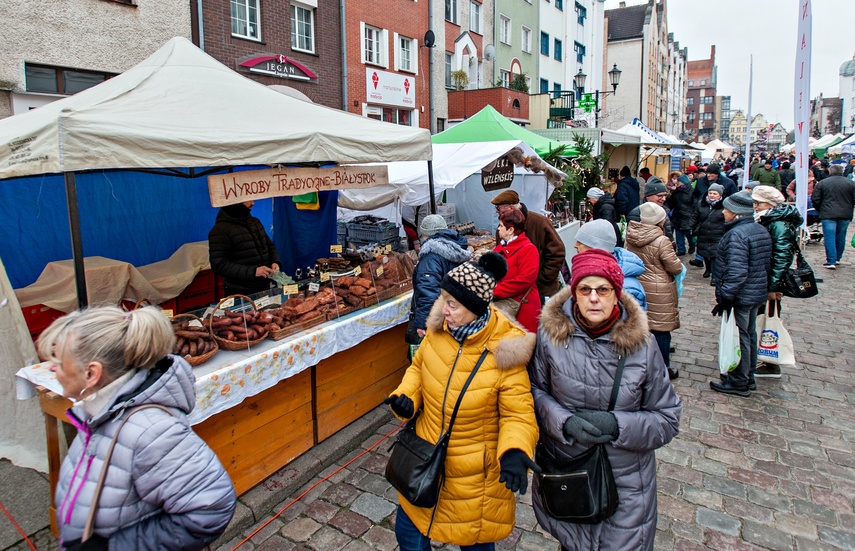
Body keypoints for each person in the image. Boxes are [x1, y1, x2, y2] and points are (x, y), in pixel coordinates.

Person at [40, 306, 237, 550]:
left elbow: (211, 507)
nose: (50, 368)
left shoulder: (151, 430)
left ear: (92, 373)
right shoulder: (95, 412)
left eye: (58, 361)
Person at [384, 253, 540, 551]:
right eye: (443, 300)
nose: (444, 310)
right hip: (423, 460)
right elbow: (418, 369)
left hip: (473, 478)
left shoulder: (505, 351)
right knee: (409, 537)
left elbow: (518, 413)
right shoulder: (438, 331)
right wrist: (406, 397)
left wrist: (515, 450)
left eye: (452, 304)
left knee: (474, 544)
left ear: (475, 308)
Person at [529, 248, 682, 551]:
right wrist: (564, 421)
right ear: (574, 293)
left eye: (603, 289)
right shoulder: (550, 337)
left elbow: (667, 418)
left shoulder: (643, 345)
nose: (594, 298)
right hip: (570, 472)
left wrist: (618, 425)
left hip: (626, 484)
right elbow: (533, 392)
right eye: (585, 290)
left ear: (616, 293)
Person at [710, 191, 772, 397]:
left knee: (740, 337)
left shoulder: (737, 235)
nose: (723, 211)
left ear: (736, 213)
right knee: (748, 334)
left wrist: (725, 295)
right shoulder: (758, 229)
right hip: (755, 292)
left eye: (726, 208)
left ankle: (739, 380)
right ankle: (748, 375)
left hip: (742, 294)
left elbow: (737, 272)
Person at [625, 203, 683, 380]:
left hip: (638, 286)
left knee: (642, 328)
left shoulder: (630, 235)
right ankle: (663, 368)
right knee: (661, 331)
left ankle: (639, 366)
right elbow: (674, 267)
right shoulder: (661, 240)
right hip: (659, 290)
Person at [752, 185, 803, 379]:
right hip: (762, 277)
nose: (755, 206)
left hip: (769, 280)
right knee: (761, 318)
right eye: (754, 202)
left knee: (768, 320)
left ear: (770, 204)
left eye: (759, 203)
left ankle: (771, 362)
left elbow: (782, 256)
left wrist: (773, 287)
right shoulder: (769, 219)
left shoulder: (778, 223)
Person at [406, 214, 471, 344]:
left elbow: (429, 292)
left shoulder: (431, 258)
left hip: (439, 317)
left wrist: (423, 323)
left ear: (426, 235)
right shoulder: (457, 248)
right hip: (457, 313)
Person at [490, 190, 565, 301]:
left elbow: (558, 253)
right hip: (511, 294)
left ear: (510, 208)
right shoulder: (503, 227)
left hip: (539, 291)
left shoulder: (540, 222)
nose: (497, 212)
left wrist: (541, 280)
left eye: (499, 208)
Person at [208, 201, 281, 296]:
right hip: (240, 292)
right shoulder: (220, 230)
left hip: (263, 287)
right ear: (236, 201)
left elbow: (269, 245)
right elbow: (219, 264)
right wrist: (254, 271)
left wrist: (275, 261)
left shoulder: (255, 222)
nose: (253, 203)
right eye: (249, 199)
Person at [574, 219, 647, 310]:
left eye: (580, 242)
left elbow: (626, 323)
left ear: (594, 247)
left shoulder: (626, 288)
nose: (575, 245)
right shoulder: (598, 274)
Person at [493, 209, 542, 332]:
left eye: (501, 226)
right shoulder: (501, 247)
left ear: (510, 230)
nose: (498, 229)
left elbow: (525, 280)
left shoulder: (528, 249)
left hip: (522, 308)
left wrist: (494, 289)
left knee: (520, 345)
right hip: (504, 305)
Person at [811, 164, 855, 269]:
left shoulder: (823, 183)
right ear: (842, 172)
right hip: (845, 213)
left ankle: (831, 260)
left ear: (830, 171)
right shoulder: (851, 183)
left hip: (828, 213)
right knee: (841, 236)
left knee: (829, 237)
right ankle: (837, 258)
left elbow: (815, 199)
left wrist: (820, 209)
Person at [689, 183, 727, 279]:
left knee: (715, 255)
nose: (712, 195)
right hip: (703, 233)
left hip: (718, 234)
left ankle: (714, 276)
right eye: (710, 193)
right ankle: (708, 269)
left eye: (715, 194)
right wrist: (691, 226)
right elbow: (695, 216)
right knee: (705, 253)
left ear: (720, 195)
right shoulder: (701, 204)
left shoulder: (724, 205)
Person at [667, 174, 697, 256]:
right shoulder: (676, 192)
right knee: (678, 234)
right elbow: (671, 203)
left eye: (678, 181)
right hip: (677, 216)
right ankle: (681, 249)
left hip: (688, 216)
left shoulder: (692, 191)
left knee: (688, 234)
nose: (677, 183)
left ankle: (692, 246)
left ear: (683, 182)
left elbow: (695, 204)